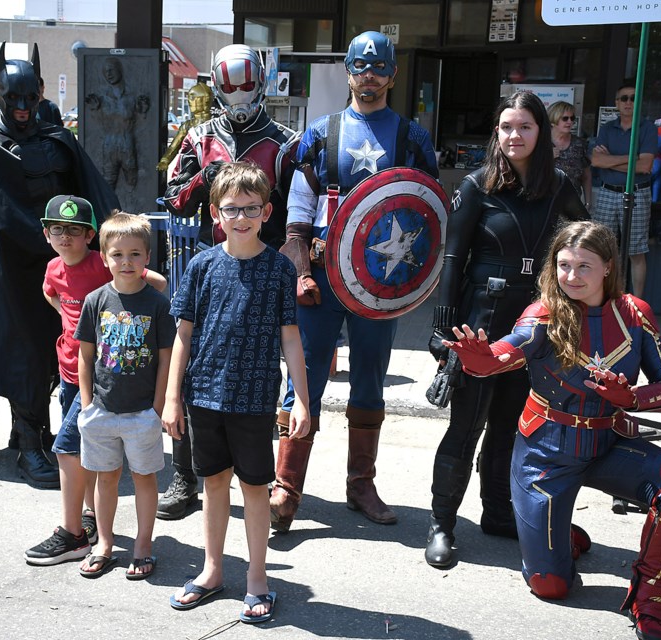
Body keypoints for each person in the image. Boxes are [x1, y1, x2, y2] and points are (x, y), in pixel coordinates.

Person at [444, 220, 661, 640]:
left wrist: (632, 399)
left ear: (608, 268)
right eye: (564, 265)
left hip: (609, 441)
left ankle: (650, 595)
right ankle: (564, 537)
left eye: (584, 266)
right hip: (546, 453)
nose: (572, 276)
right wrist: (480, 359)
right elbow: (505, 353)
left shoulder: (634, 313)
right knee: (550, 584)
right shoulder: (542, 315)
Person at [271, 30, 438, 531]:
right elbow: (298, 216)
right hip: (320, 278)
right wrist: (300, 272)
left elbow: (427, 215)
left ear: (392, 74)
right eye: (360, 67)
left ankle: (360, 484)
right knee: (303, 380)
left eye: (378, 68)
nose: (369, 76)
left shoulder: (412, 137)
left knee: (369, 380)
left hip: (380, 285)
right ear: (347, 71)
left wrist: (411, 283)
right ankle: (286, 484)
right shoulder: (321, 133)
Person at [424, 90, 589, 567]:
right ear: (496, 133)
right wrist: (442, 331)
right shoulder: (476, 186)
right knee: (465, 425)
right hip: (481, 323)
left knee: (512, 429)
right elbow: (452, 260)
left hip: (536, 326)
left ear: (541, 132)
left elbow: (589, 245)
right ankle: (441, 524)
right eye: (506, 127)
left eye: (525, 127)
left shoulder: (559, 186)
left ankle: (498, 512)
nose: (515, 136)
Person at [0, 43, 120, 489]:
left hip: (69, 267)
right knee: (24, 355)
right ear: (3, 96)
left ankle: (41, 435)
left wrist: (115, 243)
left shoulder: (58, 139)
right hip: (13, 272)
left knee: (65, 354)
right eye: (14, 100)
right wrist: (55, 242)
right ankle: (29, 447)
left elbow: (96, 195)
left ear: (41, 92)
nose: (24, 109)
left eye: (31, 98)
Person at [162, 162, 310, 622]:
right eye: (232, 209)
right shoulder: (202, 266)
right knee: (212, 485)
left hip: (255, 398)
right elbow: (183, 334)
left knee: (254, 488)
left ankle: (257, 579)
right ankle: (211, 571)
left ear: (266, 211)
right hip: (202, 395)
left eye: (250, 208)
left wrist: (302, 399)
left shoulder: (279, 270)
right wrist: (171, 397)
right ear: (215, 213)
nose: (241, 217)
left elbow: (290, 337)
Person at [159, 44, 299, 521]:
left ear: (260, 82)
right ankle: (185, 476)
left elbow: (300, 206)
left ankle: (262, 480)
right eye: (229, 86)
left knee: (257, 369)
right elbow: (174, 198)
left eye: (246, 84)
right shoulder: (199, 136)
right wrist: (204, 179)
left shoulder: (284, 142)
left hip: (264, 267)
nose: (239, 95)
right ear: (216, 86)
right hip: (207, 263)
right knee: (196, 362)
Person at [24, 196, 167, 565]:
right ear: (46, 234)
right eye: (58, 229)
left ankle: (74, 534)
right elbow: (49, 292)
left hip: (111, 389)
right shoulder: (55, 268)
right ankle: (91, 521)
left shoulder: (104, 271)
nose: (66, 237)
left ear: (89, 237)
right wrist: (69, 325)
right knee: (91, 457)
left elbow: (153, 282)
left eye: (74, 230)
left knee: (65, 449)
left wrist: (159, 404)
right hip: (73, 376)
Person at [72, 212, 174, 579]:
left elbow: (166, 359)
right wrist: (86, 405)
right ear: (104, 257)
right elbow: (85, 356)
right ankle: (104, 543)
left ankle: (143, 546)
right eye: (118, 254)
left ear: (147, 258)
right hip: (101, 410)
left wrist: (157, 408)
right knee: (105, 478)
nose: (126, 262)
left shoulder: (158, 305)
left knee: (144, 478)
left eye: (134, 254)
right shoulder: (96, 300)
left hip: (142, 413)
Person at [590, 80, 658, 298]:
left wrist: (610, 160)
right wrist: (631, 158)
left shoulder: (647, 128)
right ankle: (603, 296)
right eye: (625, 98)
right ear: (617, 103)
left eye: (633, 98)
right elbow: (596, 161)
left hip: (637, 192)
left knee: (636, 251)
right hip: (607, 192)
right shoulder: (607, 128)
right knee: (601, 248)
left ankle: (637, 303)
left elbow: (645, 166)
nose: (629, 102)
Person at [84, 56, 150, 191]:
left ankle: (131, 209)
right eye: (105, 71)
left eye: (112, 70)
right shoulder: (101, 99)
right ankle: (110, 210)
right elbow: (95, 126)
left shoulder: (132, 97)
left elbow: (144, 126)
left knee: (132, 182)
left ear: (120, 70)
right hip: (109, 146)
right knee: (108, 183)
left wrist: (142, 111)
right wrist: (95, 109)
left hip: (127, 144)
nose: (109, 74)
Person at [157, 82, 214, 173]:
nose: (189, 101)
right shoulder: (187, 125)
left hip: (211, 168)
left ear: (205, 100)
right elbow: (174, 146)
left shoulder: (217, 123)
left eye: (192, 97)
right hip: (190, 167)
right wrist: (165, 161)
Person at [548, 100, 592, 207]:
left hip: (572, 202)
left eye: (572, 118)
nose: (569, 122)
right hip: (546, 202)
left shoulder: (579, 144)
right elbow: (529, 171)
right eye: (565, 118)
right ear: (553, 120)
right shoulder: (540, 143)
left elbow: (586, 176)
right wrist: (546, 158)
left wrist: (587, 202)